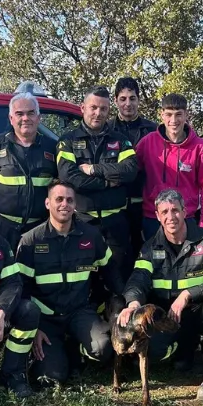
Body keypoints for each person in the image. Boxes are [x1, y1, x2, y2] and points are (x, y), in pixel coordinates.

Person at [118, 189, 203, 403]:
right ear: (157, 215)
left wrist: (188, 294)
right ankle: (186, 351)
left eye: (175, 210)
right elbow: (138, 278)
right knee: (150, 355)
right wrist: (133, 303)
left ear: (185, 211)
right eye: (164, 211)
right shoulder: (150, 247)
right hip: (169, 319)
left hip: (201, 313)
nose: (170, 217)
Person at [16, 180, 122, 384]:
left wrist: (129, 301)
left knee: (103, 348)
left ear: (75, 205)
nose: (64, 204)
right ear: (48, 203)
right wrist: (33, 328)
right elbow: (21, 290)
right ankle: (55, 353)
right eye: (59, 199)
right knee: (50, 377)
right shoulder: (30, 241)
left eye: (69, 200)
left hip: (80, 312)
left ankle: (76, 347)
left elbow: (111, 272)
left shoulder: (91, 235)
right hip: (45, 319)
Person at [56, 86, 138, 273]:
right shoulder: (67, 141)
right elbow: (70, 178)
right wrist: (108, 182)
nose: (98, 113)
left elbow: (130, 171)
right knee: (84, 276)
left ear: (109, 110)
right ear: (83, 108)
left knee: (116, 277)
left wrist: (94, 169)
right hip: (82, 223)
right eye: (93, 107)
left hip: (116, 224)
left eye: (103, 109)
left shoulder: (121, 140)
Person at [136, 94, 203, 241]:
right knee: (155, 263)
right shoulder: (147, 142)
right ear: (162, 115)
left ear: (186, 114)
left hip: (186, 218)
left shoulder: (200, 147)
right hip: (153, 218)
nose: (173, 120)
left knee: (187, 264)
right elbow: (131, 172)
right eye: (169, 114)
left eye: (178, 114)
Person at [0, 91, 58, 251]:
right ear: (11, 118)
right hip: (2, 229)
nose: (25, 118)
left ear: (39, 117)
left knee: (36, 275)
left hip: (41, 229)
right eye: (19, 114)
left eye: (31, 113)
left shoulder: (53, 147)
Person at [111, 77, 157, 256]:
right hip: (116, 206)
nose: (128, 103)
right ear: (116, 101)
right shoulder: (107, 130)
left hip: (145, 206)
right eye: (123, 99)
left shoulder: (153, 131)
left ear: (139, 100)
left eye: (132, 98)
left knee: (146, 254)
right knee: (120, 257)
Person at [0, 234, 40, 398]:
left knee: (28, 311)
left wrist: (1, 309)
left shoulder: (1, 243)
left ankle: (13, 375)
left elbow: (12, 283)